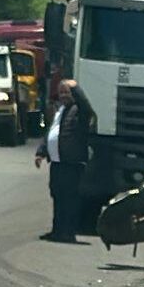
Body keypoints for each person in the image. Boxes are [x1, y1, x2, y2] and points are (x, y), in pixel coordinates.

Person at [35, 79, 94, 243]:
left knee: (70, 198)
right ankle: (57, 230)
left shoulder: (79, 111)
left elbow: (86, 106)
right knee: (57, 196)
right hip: (57, 163)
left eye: (67, 92)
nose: (64, 96)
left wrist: (75, 87)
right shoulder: (60, 111)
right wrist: (41, 152)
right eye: (61, 92)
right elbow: (51, 134)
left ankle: (68, 232)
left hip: (72, 164)